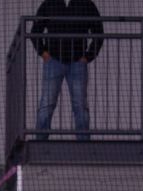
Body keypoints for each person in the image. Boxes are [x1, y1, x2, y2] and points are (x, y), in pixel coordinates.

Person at [30, 0, 104, 141]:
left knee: (80, 106)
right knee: (47, 104)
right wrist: (43, 53)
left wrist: (87, 57)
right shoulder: (50, 3)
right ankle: (40, 143)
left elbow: (98, 32)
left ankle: (83, 146)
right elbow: (35, 31)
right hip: (53, 61)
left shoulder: (86, 4)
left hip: (77, 62)